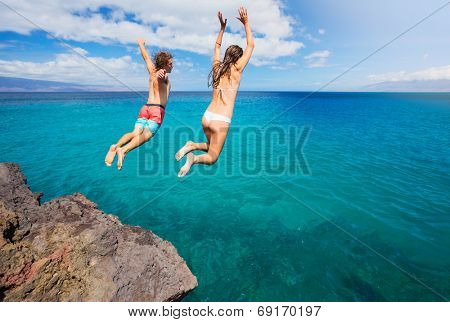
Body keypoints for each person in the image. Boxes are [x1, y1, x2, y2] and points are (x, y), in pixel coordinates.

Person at [175, 7, 254, 177]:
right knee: (212, 157)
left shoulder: (217, 68)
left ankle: (192, 145)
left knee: (210, 144)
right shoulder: (238, 69)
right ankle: (193, 159)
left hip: (207, 116)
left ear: (227, 54)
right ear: (238, 58)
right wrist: (246, 23)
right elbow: (251, 45)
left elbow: (217, 46)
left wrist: (222, 29)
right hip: (221, 120)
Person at [104, 39, 173, 170]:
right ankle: (124, 150)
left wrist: (141, 44)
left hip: (145, 108)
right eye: (170, 63)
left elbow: (146, 57)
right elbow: (162, 77)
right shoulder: (163, 76)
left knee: (135, 133)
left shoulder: (152, 71)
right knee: (146, 136)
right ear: (164, 65)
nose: (172, 65)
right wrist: (161, 74)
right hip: (157, 111)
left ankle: (116, 146)